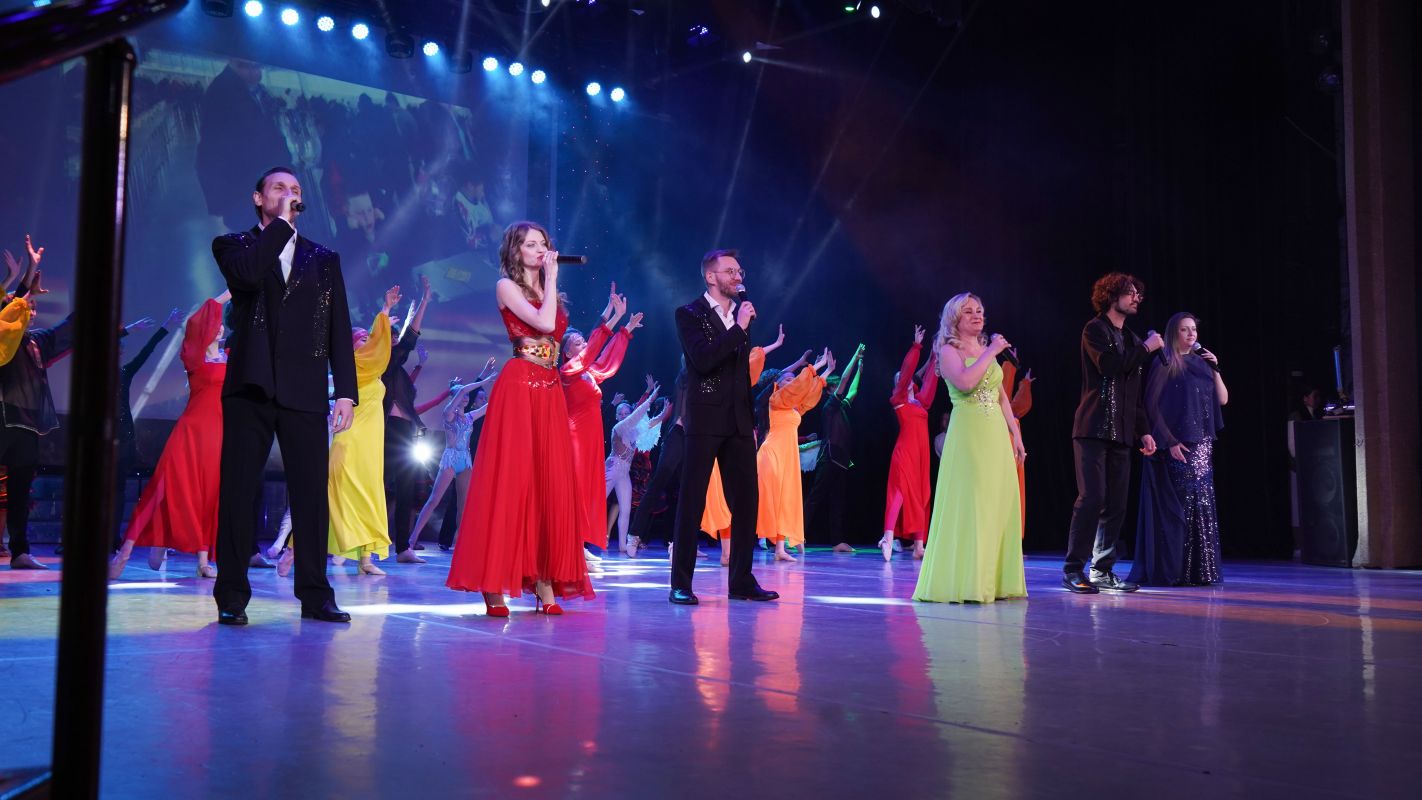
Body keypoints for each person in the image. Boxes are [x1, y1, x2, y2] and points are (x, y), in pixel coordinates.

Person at [211, 166, 358, 625]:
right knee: (239, 491)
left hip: (305, 388)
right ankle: (232, 595)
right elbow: (248, 277)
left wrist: (346, 392)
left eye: (295, 189)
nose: (289, 194)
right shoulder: (234, 245)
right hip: (251, 385)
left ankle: (315, 594)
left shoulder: (323, 258)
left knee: (311, 494)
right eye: (279, 188)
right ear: (258, 198)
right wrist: (278, 226)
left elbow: (337, 326)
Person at [445, 221, 591, 616]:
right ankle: (493, 582)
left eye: (544, 243)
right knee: (512, 480)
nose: (541, 250)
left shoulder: (550, 291)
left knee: (548, 482)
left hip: (549, 387)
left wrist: (550, 283)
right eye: (531, 244)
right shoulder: (505, 286)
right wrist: (553, 277)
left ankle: (544, 581)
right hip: (520, 383)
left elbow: (556, 333)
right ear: (515, 251)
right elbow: (544, 325)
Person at [668, 249, 778, 605]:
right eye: (730, 271)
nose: (738, 276)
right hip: (705, 418)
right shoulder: (689, 314)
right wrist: (738, 328)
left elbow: (739, 371)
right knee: (692, 501)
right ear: (710, 276)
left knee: (746, 501)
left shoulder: (740, 314)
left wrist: (751, 419)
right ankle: (681, 583)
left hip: (739, 420)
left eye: (739, 271)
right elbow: (703, 360)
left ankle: (742, 580)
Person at [913, 293, 1026, 604]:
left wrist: (1016, 434)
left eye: (980, 311)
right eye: (968, 312)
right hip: (969, 432)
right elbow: (965, 382)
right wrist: (992, 351)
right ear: (955, 318)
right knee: (975, 503)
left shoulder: (985, 348)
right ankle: (970, 582)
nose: (977, 316)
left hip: (995, 434)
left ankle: (995, 581)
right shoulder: (949, 350)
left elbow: (1001, 396)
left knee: (997, 502)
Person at [110, 295, 230, 579]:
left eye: (221, 324)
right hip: (190, 432)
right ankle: (125, 551)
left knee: (209, 493)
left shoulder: (229, 357)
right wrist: (228, 293)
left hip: (218, 433)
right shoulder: (194, 357)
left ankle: (203, 560)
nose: (220, 327)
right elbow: (195, 321)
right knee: (163, 487)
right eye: (215, 323)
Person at [1062, 272, 1163, 594]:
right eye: (1130, 293)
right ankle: (1073, 569)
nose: (1136, 298)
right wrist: (1146, 348)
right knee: (1092, 498)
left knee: (1116, 503)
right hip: (1092, 427)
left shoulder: (1131, 339)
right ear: (1111, 296)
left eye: (1138, 294)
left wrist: (1143, 431)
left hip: (1121, 432)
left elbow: (1133, 392)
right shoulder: (1095, 329)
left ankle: (1102, 570)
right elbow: (1108, 366)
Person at [1128, 312, 1228, 586]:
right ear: (1174, 333)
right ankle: (1177, 571)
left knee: (1202, 505)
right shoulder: (1165, 362)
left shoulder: (1203, 362)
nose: (1191, 334)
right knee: (1180, 509)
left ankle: (1200, 571)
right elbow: (1152, 405)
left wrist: (1216, 368)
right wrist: (1169, 441)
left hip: (1203, 445)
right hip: (1179, 445)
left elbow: (1222, 399)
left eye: (1193, 329)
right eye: (1185, 329)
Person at [0, 236, 65, 570]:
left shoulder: (36, 342)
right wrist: (24, 273)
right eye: (26, 305)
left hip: (25, 424)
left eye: (33, 308)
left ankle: (20, 552)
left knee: (21, 491)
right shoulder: (4, 336)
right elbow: (11, 309)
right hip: (2, 417)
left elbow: (68, 330)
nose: (30, 310)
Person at [327, 287, 402, 575]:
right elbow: (377, 348)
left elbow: (379, 348)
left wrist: (383, 318)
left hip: (370, 444)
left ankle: (366, 560)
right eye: (362, 338)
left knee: (369, 496)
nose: (368, 341)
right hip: (349, 439)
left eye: (368, 338)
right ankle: (295, 550)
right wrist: (383, 311)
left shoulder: (372, 369)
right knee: (334, 494)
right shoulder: (352, 366)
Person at [561, 285, 638, 556]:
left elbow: (606, 360)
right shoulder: (568, 372)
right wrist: (613, 317)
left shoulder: (589, 373)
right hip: (575, 438)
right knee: (575, 489)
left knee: (588, 491)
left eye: (583, 341)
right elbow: (594, 348)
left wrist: (625, 329)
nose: (583, 345)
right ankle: (568, 546)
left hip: (591, 439)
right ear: (567, 352)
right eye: (577, 343)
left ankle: (579, 545)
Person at [406, 366, 497, 552]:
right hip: (450, 459)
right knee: (434, 500)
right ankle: (412, 539)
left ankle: (463, 542)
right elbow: (462, 391)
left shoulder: (470, 417)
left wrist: (503, 385)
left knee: (463, 505)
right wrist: (482, 381)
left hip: (465, 460)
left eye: (466, 395)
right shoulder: (448, 414)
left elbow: (490, 405)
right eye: (461, 394)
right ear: (454, 398)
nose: (465, 397)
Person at [755, 350, 832, 562]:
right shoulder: (776, 398)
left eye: (793, 379)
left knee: (785, 502)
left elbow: (809, 394)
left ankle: (780, 550)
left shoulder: (794, 408)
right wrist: (813, 368)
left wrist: (825, 372)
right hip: (771, 455)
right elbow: (798, 386)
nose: (792, 382)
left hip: (787, 458)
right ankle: (733, 541)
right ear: (778, 384)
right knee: (765, 502)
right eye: (788, 379)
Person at [384, 275, 433, 564]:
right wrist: (420, 304)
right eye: (390, 338)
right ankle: (365, 546)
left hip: (403, 431)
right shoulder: (381, 363)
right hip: (384, 430)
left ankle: (403, 547)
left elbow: (407, 340)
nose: (395, 341)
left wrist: (425, 301)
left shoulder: (397, 370)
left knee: (404, 490)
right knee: (377, 486)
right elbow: (408, 339)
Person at [880, 326, 938, 560]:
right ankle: (887, 537)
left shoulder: (921, 402)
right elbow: (906, 372)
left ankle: (918, 546)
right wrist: (916, 347)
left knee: (922, 495)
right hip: (905, 453)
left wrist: (935, 357)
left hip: (921, 456)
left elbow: (930, 380)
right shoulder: (899, 400)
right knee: (900, 493)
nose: (903, 380)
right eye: (899, 380)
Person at [606, 388, 671, 555]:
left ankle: (622, 545)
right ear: (617, 416)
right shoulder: (619, 427)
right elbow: (636, 417)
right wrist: (650, 399)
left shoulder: (633, 430)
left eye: (626, 413)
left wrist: (664, 412)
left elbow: (650, 423)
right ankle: (584, 540)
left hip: (623, 474)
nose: (624, 416)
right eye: (621, 413)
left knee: (626, 509)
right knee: (597, 502)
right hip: (612, 469)